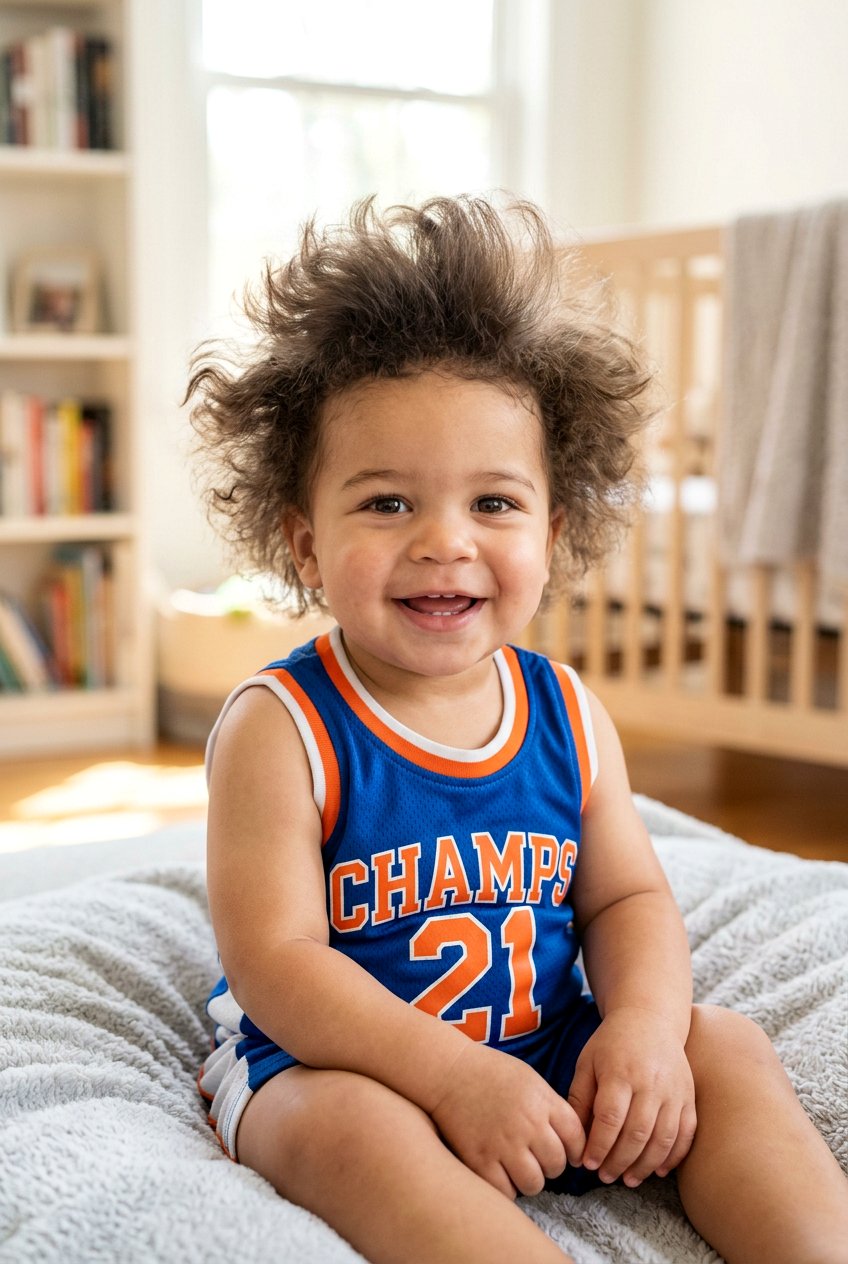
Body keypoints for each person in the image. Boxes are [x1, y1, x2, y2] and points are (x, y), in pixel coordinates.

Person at [188, 196, 848, 1264]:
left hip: (537, 1046)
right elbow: (275, 962)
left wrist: (638, 1033)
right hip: (340, 1065)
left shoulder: (565, 714)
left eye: (493, 503)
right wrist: (450, 1077)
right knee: (343, 1130)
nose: (444, 542)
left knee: (719, 1046)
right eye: (387, 504)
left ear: (555, 527)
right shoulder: (281, 727)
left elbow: (626, 895)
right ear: (304, 543)